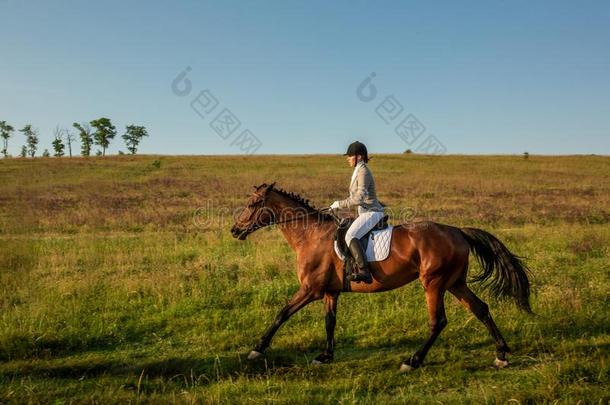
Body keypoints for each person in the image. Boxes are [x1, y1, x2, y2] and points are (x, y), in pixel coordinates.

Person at [330, 141, 384, 284]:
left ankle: (364, 271)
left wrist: (339, 204)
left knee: (350, 235)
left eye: (350, 156)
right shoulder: (358, 170)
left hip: (372, 212)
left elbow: (359, 198)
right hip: (364, 212)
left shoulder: (363, 171)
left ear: (359, 157)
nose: (347, 158)